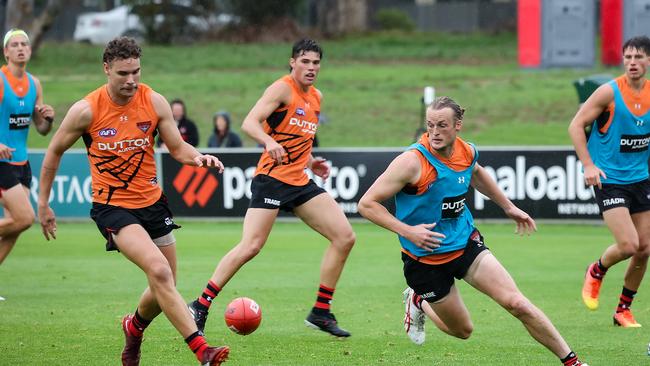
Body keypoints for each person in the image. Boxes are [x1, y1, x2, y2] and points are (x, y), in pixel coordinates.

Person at [37, 37, 229, 366]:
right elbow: (53, 151)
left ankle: (134, 327)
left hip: (153, 204)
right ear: (106, 68)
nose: (131, 80)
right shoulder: (86, 110)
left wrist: (199, 158)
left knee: (163, 282)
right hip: (113, 208)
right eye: (123, 73)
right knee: (158, 271)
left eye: (136, 72)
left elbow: (177, 148)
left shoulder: (153, 102)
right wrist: (43, 203)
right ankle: (202, 349)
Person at [358, 96, 587, 366]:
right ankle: (418, 300)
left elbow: (476, 173)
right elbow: (366, 204)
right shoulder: (411, 162)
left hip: (465, 244)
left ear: (458, 125)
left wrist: (508, 207)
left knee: (517, 303)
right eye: (430, 125)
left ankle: (572, 362)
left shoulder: (466, 151)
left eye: (442, 125)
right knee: (462, 331)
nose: (434, 132)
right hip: (425, 260)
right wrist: (407, 230)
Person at [188, 38, 355, 338]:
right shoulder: (281, 89)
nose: (311, 67)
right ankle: (200, 305)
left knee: (344, 237)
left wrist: (311, 161)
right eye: (305, 61)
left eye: (316, 62)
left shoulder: (316, 97)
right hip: (272, 179)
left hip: (299, 181)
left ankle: (321, 311)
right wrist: (268, 141)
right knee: (251, 246)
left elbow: (298, 138)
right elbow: (249, 123)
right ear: (292, 62)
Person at [568, 36, 650, 328]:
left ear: (648, 61)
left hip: (641, 179)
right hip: (610, 179)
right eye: (627, 57)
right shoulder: (609, 93)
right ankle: (597, 269)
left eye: (638, 57)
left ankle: (623, 310)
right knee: (629, 245)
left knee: (645, 248)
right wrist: (588, 165)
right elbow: (576, 125)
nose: (632, 62)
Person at [0, 29, 54, 279]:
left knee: (14, 227)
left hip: (22, 163)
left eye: (24, 44)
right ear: (6, 52)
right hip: (1, 162)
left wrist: (48, 120)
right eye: (15, 44)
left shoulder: (35, 84)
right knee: (24, 218)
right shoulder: (0, 80)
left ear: (30, 51)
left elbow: (41, 130)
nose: (20, 48)